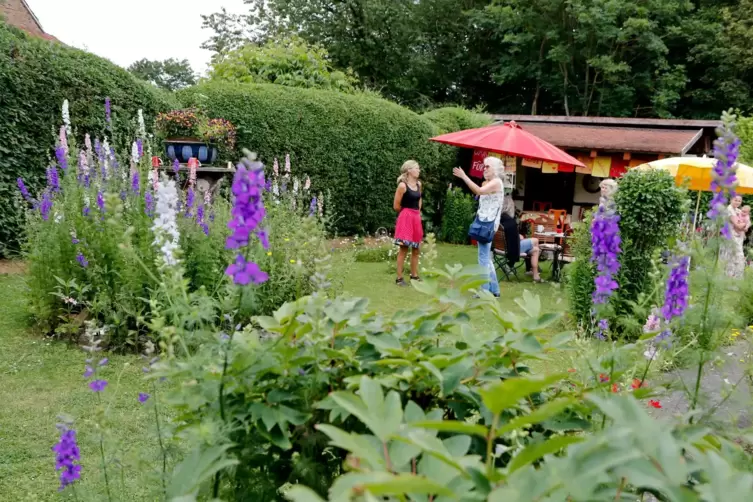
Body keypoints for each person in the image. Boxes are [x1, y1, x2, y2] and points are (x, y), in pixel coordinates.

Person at [453, 157, 505, 297]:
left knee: (483, 257)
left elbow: (479, 191)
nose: (484, 169)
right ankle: (494, 290)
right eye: (484, 166)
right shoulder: (490, 183)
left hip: (488, 224)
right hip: (484, 221)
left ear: (494, 169)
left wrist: (464, 176)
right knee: (486, 257)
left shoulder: (496, 182)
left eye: (487, 166)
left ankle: (484, 291)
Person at [393, 160, 423, 286]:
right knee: (403, 248)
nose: (419, 170)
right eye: (416, 168)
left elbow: (419, 200)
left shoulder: (419, 184)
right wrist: (407, 214)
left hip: (416, 218)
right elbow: (396, 206)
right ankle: (399, 278)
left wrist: (417, 214)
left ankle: (414, 276)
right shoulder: (402, 186)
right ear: (409, 170)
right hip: (405, 218)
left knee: (416, 249)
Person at [502, 196, 542, 282]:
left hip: (504, 247)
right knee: (536, 241)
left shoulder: (501, 219)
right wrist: (518, 237)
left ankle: (533, 272)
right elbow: (513, 241)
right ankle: (532, 270)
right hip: (513, 249)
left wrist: (517, 236)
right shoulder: (510, 221)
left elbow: (508, 235)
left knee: (535, 250)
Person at [723, 195, 749, 279]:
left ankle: (734, 278)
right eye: (735, 200)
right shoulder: (729, 210)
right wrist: (744, 226)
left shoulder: (738, 210)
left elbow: (748, 221)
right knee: (733, 256)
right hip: (731, 237)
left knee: (735, 256)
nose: (737, 202)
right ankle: (731, 278)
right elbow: (737, 225)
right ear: (731, 200)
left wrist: (746, 226)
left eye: (739, 201)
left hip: (738, 237)